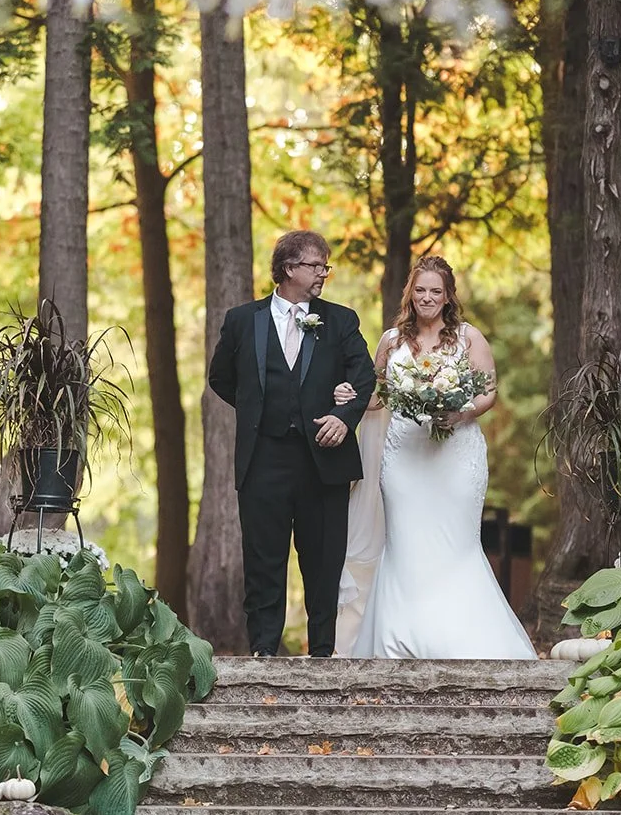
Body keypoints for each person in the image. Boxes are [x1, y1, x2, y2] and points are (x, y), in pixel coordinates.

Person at [335, 254, 536, 659]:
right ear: (411, 294)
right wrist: (350, 396)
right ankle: (399, 640)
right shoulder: (391, 341)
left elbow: (488, 391)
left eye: (436, 292)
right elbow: (378, 396)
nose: (427, 298)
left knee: (456, 545)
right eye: (421, 290)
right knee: (406, 543)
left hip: (454, 455)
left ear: (448, 297)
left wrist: (461, 411)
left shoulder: (468, 337)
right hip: (405, 456)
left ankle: (461, 639)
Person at [208, 230, 375, 657]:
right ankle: (264, 651)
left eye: (325, 266)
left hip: (325, 460)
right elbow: (221, 378)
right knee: (263, 560)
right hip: (263, 460)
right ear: (288, 269)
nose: (323, 274)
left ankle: (322, 653)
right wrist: (257, 411)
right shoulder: (242, 320)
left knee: (324, 563)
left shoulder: (341, 320)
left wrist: (343, 417)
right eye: (316, 266)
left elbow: (364, 376)